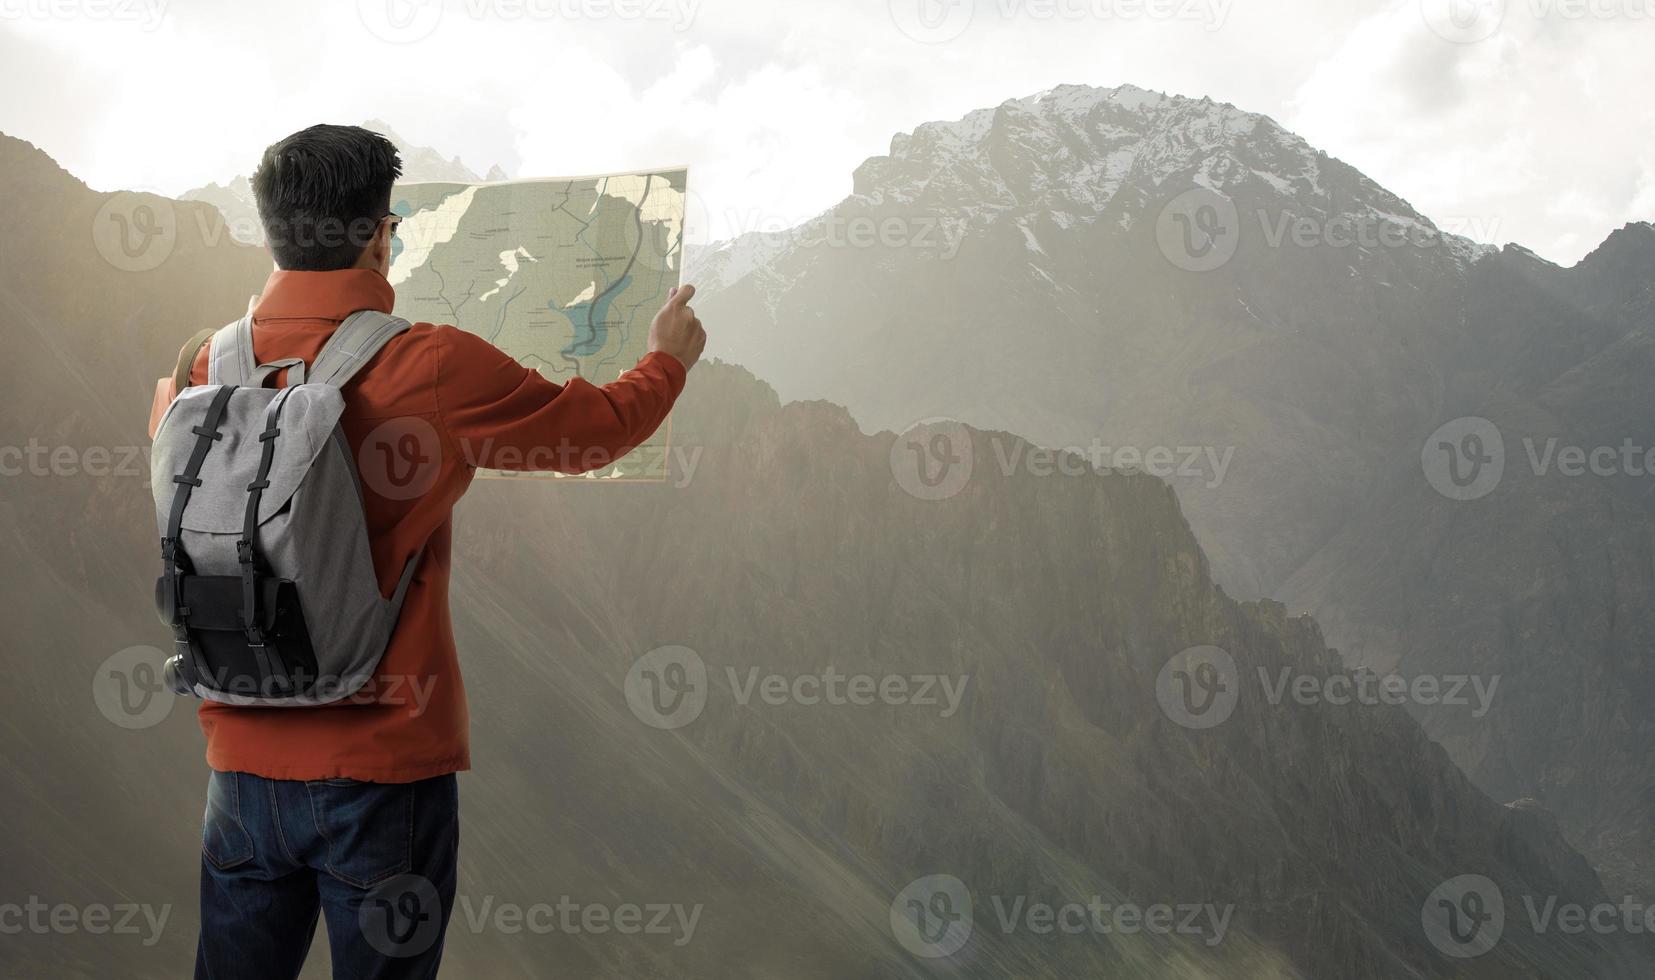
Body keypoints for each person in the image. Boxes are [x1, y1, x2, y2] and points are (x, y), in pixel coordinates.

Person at [149, 123, 705, 979]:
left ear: (273, 228)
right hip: (383, 771)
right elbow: (592, 435)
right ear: (379, 233)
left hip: (238, 765)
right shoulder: (431, 364)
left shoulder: (199, 369)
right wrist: (665, 362)